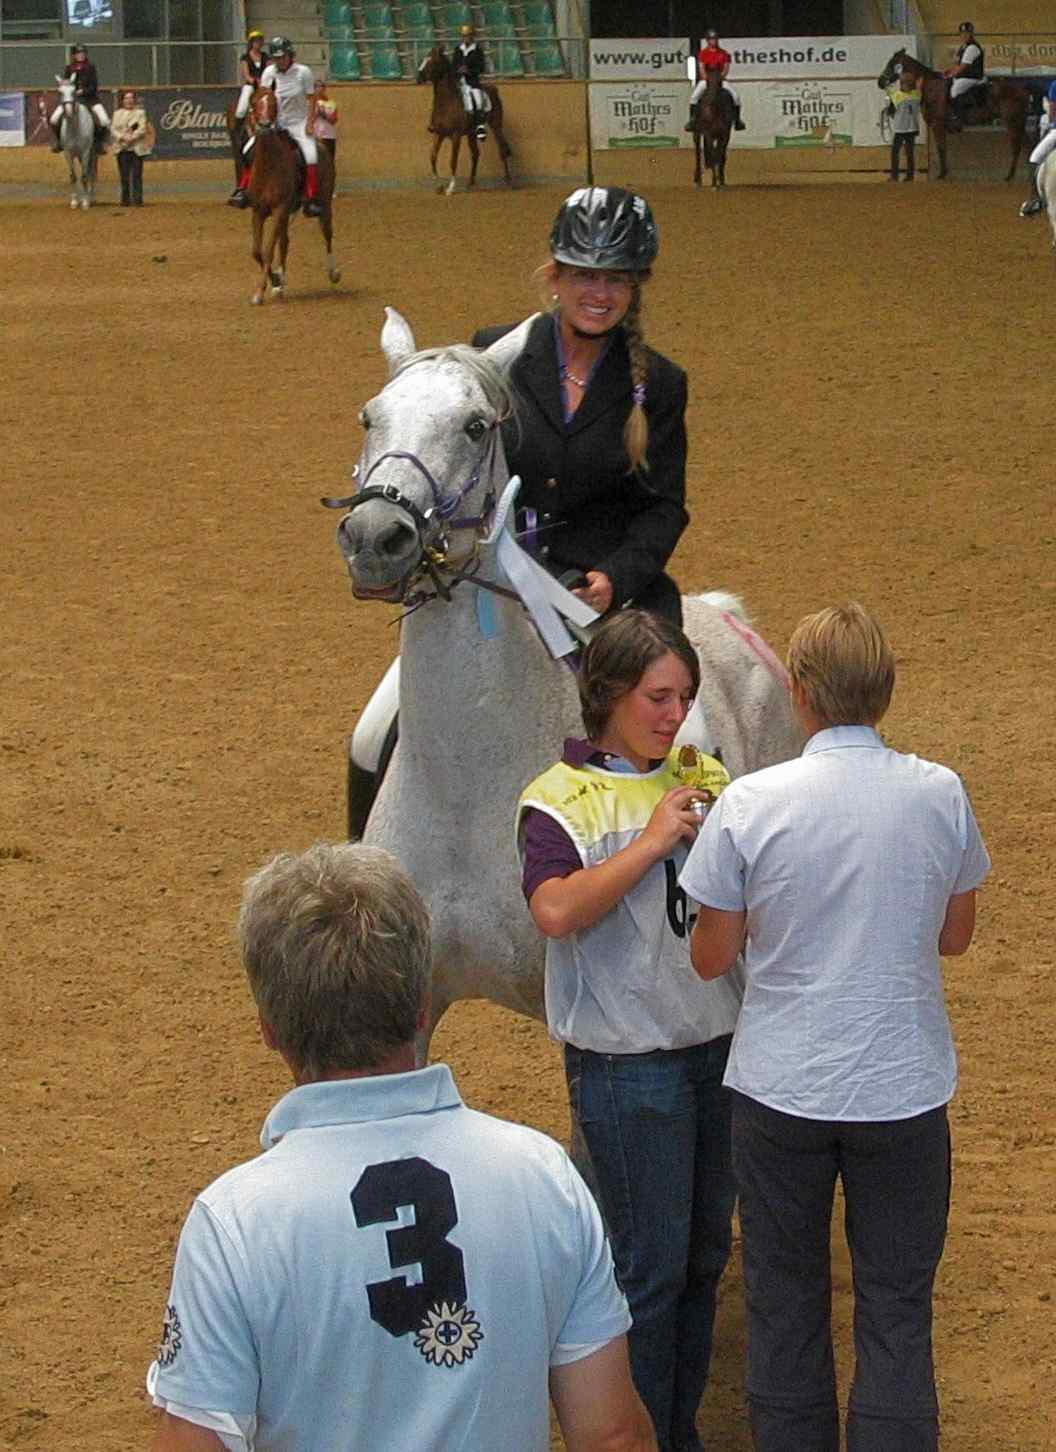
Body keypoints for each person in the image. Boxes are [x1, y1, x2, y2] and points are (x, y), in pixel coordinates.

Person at [147, 841, 655, 1452]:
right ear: (421, 1008)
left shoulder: (232, 1225)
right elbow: (612, 1437)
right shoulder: (542, 1174)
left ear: (269, 1029)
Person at [680, 602, 991, 1452]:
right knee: (896, 1304)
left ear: (801, 695)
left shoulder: (750, 802)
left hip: (782, 1090)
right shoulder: (940, 792)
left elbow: (712, 959)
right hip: (904, 1087)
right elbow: (955, 936)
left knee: (785, 1300)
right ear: (883, 691)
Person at [517, 609, 741, 1452]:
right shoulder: (556, 798)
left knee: (702, 1265)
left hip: (714, 1051)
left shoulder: (706, 777)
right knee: (649, 1276)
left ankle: (674, 1431)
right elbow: (555, 909)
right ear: (608, 695)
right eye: (657, 696)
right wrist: (650, 842)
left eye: (683, 696)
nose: (673, 713)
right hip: (625, 1069)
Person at [472, 186, 689, 627]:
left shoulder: (662, 384)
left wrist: (615, 578)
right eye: (585, 276)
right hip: (497, 589)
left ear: (635, 286)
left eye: (615, 278)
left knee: (657, 689)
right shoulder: (493, 355)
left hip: (602, 600)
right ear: (555, 277)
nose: (600, 294)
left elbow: (664, 508)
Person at [229, 37, 322, 217]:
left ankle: (311, 199)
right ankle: (242, 190)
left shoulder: (303, 72)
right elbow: (264, 96)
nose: (279, 61)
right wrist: (260, 119)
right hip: (276, 121)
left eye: (282, 57)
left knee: (311, 155)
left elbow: (312, 99)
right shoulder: (270, 72)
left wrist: (310, 123)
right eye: (276, 58)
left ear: (290, 55)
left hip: (299, 122)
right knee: (247, 149)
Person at [49, 44, 110, 152]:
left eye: (82, 53)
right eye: (78, 53)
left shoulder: (91, 67)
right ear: (74, 55)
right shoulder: (69, 68)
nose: (81, 55)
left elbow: (94, 86)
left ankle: (99, 143)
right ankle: (59, 142)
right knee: (54, 119)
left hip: (90, 99)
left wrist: (83, 91)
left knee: (104, 120)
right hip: (71, 100)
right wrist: (64, 85)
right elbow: (66, 83)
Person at [685, 30, 746, 133]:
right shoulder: (703, 53)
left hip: (720, 79)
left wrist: (720, 78)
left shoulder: (724, 53)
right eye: (711, 39)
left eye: (715, 39)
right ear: (708, 41)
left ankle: (737, 121)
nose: (714, 41)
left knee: (736, 97)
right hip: (706, 79)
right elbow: (701, 67)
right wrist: (706, 78)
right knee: (694, 97)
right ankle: (692, 120)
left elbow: (726, 68)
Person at [1019, 75, 1056, 215]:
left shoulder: (1055, 85)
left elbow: (1053, 111)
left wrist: (1051, 125)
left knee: (1034, 158)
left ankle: (1035, 199)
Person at [111, 89, 151, 207]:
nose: (129, 100)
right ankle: (125, 200)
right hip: (121, 148)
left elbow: (142, 128)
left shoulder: (140, 113)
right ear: (122, 101)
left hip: (137, 148)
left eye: (131, 98)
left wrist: (132, 138)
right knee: (124, 175)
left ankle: (138, 200)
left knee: (137, 175)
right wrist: (122, 137)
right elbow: (113, 129)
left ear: (134, 100)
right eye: (126, 98)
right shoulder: (117, 113)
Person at [453, 22, 491, 141]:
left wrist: (468, 70)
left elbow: (481, 68)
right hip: (459, 82)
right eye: (464, 36)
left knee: (478, 100)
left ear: (472, 36)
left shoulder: (477, 51)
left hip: (472, 81)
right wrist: (458, 70)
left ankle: (480, 126)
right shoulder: (458, 50)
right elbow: (453, 65)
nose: (466, 38)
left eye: (468, 36)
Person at [945, 20, 986, 127]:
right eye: (962, 33)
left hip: (972, 77)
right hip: (964, 75)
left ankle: (957, 117)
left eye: (967, 33)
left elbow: (963, 67)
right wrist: (949, 72)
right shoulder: (963, 47)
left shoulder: (972, 47)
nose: (964, 35)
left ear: (971, 34)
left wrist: (952, 74)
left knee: (954, 91)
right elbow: (957, 65)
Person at [885, 68, 921, 181]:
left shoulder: (897, 96)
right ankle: (910, 176)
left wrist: (893, 77)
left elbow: (887, 89)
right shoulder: (917, 95)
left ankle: (894, 176)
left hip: (901, 128)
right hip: (912, 128)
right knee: (910, 153)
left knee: (895, 152)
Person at [232, 29, 269, 129]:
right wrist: (254, 81)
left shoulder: (265, 56)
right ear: (251, 43)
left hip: (265, 86)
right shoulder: (245, 57)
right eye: (256, 41)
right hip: (251, 85)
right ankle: (237, 128)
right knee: (241, 109)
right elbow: (246, 74)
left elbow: (269, 70)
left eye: (260, 41)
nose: (258, 43)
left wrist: (265, 81)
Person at [311, 78, 338, 167]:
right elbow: (309, 119)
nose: (319, 88)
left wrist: (323, 113)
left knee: (329, 161)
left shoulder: (331, 103)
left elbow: (334, 120)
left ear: (324, 88)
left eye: (321, 86)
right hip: (316, 136)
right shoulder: (310, 103)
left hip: (329, 136)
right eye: (316, 86)